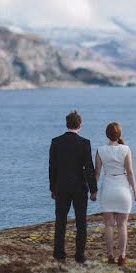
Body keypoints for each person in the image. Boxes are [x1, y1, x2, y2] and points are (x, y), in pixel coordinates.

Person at [49, 110, 97, 263]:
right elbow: (89, 168)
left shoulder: (56, 142)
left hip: (61, 186)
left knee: (60, 221)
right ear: (79, 125)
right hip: (79, 188)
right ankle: (79, 255)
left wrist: (52, 188)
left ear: (67, 124)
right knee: (81, 223)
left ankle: (59, 253)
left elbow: (52, 167)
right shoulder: (85, 143)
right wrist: (94, 189)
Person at [94, 122, 136, 265]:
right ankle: (122, 255)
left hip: (108, 188)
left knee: (108, 225)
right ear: (119, 134)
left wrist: (93, 191)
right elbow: (130, 172)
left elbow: (97, 173)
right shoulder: (126, 149)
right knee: (122, 225)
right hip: (123, 190)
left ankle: (110, 255)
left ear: (107, 134)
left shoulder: (100, 150)